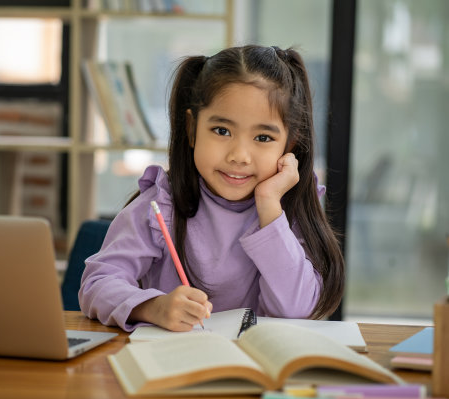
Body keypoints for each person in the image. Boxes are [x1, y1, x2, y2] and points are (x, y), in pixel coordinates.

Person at [78, 45, 345, 332]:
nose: (239, 155)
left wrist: (269, 205)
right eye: (222, 131)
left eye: (263, 137)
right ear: (192, 129)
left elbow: (296, 309)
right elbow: (98, 283)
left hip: (257, 370)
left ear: (289, 145)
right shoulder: (160, 202)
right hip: (171, 365)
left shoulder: (289, 210)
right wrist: (152, 307)